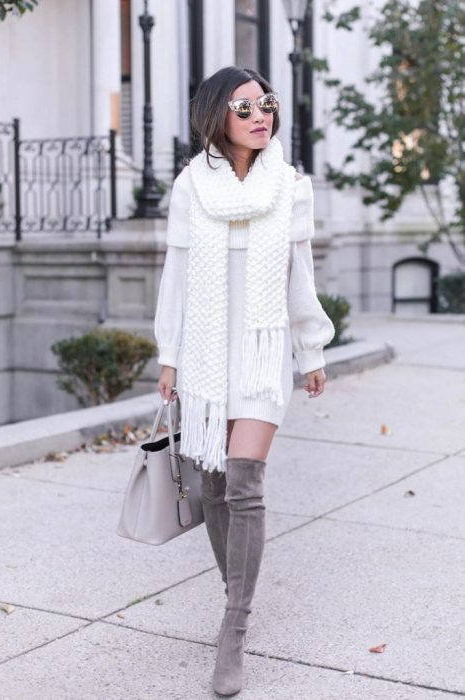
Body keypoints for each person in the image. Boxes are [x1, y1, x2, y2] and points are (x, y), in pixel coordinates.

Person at [154, 66, 335, 697]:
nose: (261, 115)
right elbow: (174, 279)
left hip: (261, 354)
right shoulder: (189, 187)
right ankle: (237, 584)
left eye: (267, 104)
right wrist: (169, 355)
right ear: (217, 116)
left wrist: (310, 349)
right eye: (246, 106)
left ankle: (234, 625)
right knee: (210, 488)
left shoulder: (290, 186)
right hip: (205, 359)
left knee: (243, 482)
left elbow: (299, 277)